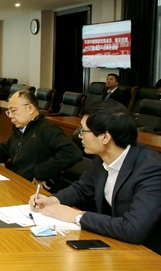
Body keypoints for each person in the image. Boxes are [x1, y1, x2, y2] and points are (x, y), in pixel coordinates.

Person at [29, 100, 161, 254]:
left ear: (105, 137)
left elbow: (133, 229)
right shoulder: (103, 157)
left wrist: (77, 216)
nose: (80, 136)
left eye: (83, 131)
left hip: (147, 254)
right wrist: (52, 200)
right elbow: (81, 188)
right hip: (115, 243)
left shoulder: (152, 169)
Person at [0, 90, 82, 190]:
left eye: (13, 111)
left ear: (30, 108)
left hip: (34, 191)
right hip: (16, 183)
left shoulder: (48, 130)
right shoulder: (20, 129)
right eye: (9, 112)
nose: (10, 116)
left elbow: (73, 152)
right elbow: (1, 151)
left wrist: (41, 173)